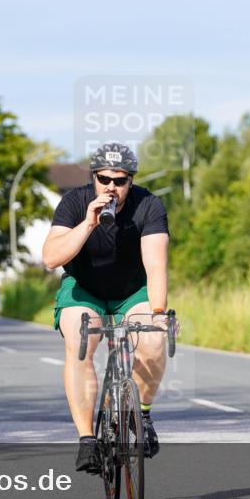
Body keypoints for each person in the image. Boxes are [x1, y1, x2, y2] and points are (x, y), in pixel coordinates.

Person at [42, 142, 170, 474]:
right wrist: (88, 223)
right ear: (93, 177)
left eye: (121, 180)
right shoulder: (74, 202)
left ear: (131, 180)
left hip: (130, 290)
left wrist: (158, 314)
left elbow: (156, 266)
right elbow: (51, 258)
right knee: (81, 340)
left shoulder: (149, 205)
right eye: (104, 179)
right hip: (85, 288)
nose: (111, 187)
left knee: (154, 339)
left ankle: (142, 414)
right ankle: (87, 439)